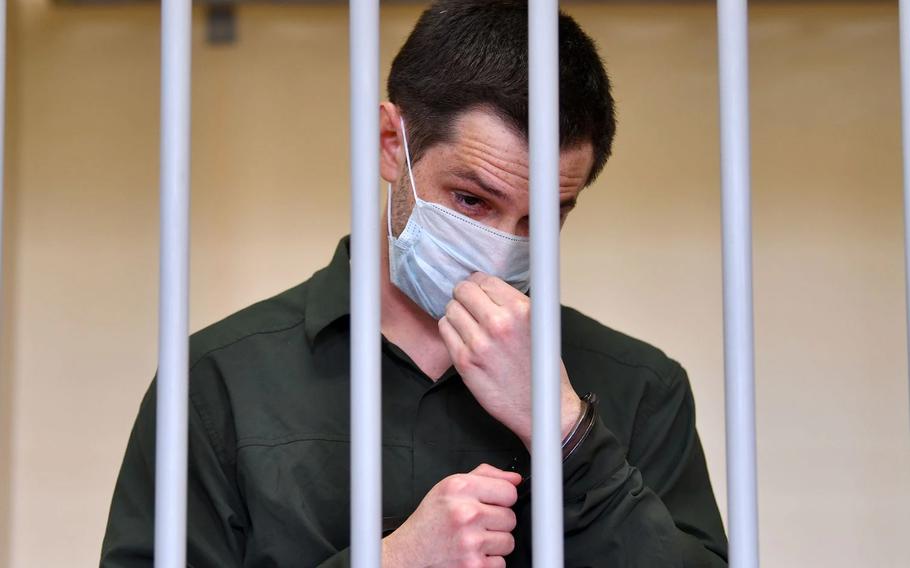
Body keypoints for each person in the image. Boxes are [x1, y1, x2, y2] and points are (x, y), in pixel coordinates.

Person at [101, 1, 728, 566]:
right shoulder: (217, 383)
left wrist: (566, 433)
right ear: (388, 144)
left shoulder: (640, 387)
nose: (506, 244)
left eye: (545, 217)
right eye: (472, 199)